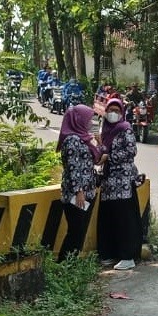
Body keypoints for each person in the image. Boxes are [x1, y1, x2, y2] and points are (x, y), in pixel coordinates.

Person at [97, 98, 145, 270]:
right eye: (111, 110)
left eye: (117, 110)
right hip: (108, 181)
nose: (113, 114)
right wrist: (99, 149)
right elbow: (103, 152)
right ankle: (109, 254)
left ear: (122, 112)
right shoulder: (105, 130)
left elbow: (131, 151)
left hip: (123, 181)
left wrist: (109, 157)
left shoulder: (126, 129)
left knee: (125, 219)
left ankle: (128, 256)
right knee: (109, 218)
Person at [55, 104, 100, 261]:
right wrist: (79, 191)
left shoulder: (84, 138)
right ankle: (64, 264)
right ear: (78, 120)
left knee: (79, 231)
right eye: (88, 119)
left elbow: (96, 159)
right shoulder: (72, 141)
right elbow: (73, 168)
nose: (90, 123)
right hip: (76, 195)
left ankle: (71, 264)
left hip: (86, 193)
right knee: (75, 231)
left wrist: (99, 143)